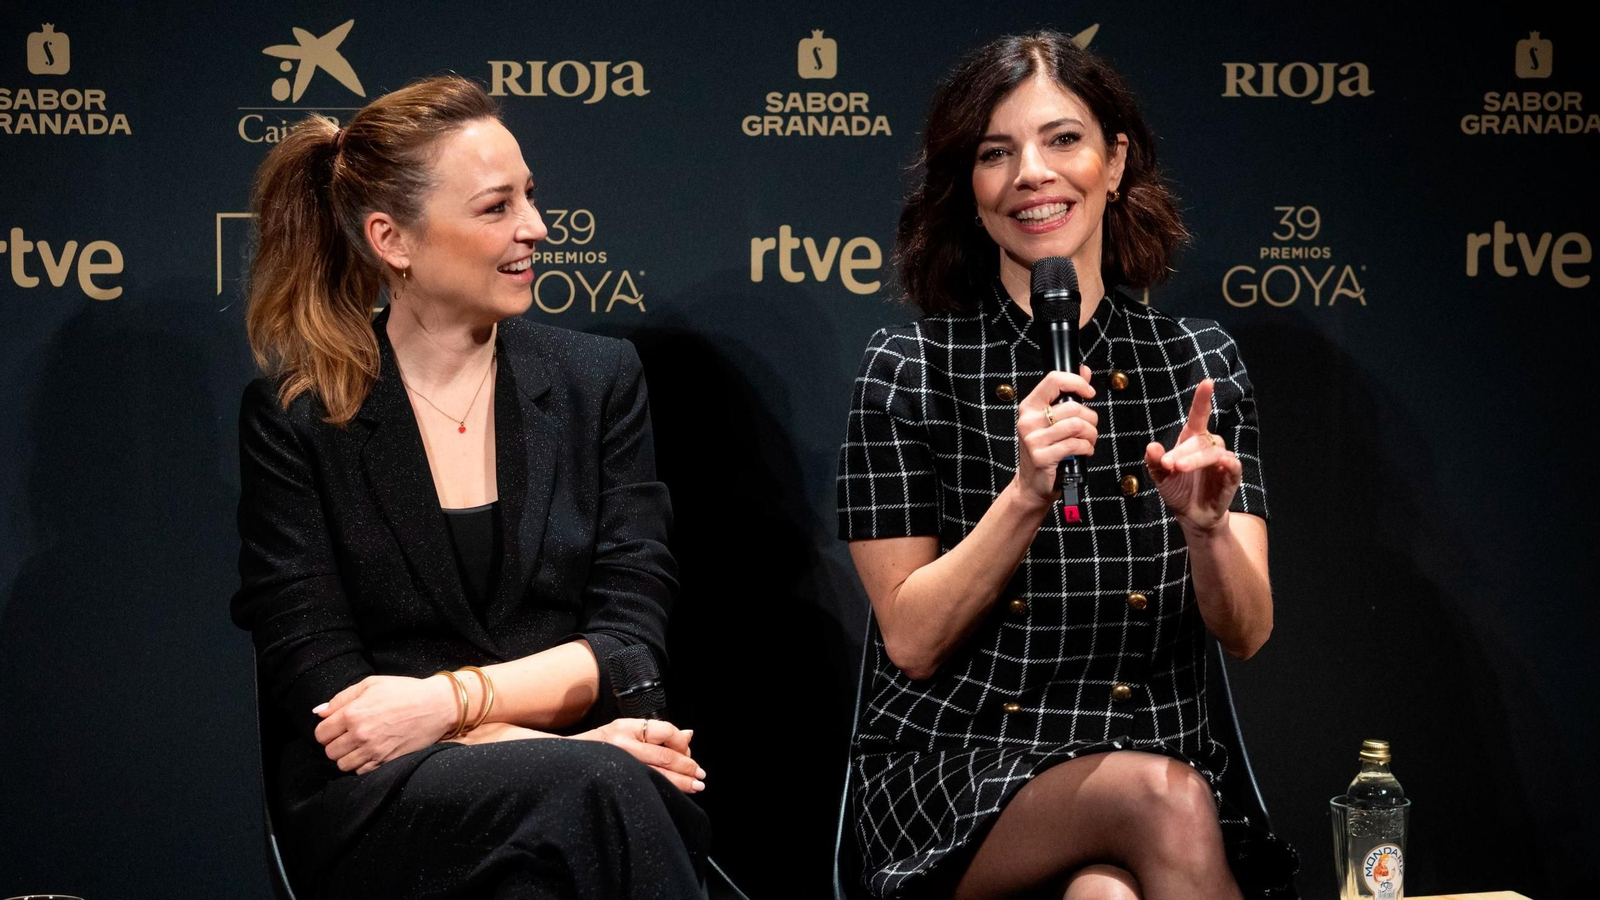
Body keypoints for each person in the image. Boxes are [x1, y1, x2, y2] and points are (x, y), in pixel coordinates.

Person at [837, 32, 1298, 900]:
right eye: (995, 153)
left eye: (1062, 140)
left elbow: (1247, 630)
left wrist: (1205, 532)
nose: (1031, 175)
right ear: (969, 190)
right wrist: (1023, 495)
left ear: (1114, 161)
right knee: (1161, 802)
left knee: (1106, 896)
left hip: (1162, 752)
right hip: (961, 772)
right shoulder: (908, 369)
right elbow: (912, 640)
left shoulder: (1200, 362)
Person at [233, 75, 709, 899]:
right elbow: (329, 690)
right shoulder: (300, 417)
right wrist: (570, 751)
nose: (536, 227)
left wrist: (449, 704)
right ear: (394, 239)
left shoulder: (599, 382)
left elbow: (628, 645)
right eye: (496, 208)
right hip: (383, 803)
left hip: (586, 791)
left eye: (530, 197)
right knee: (605, 793)